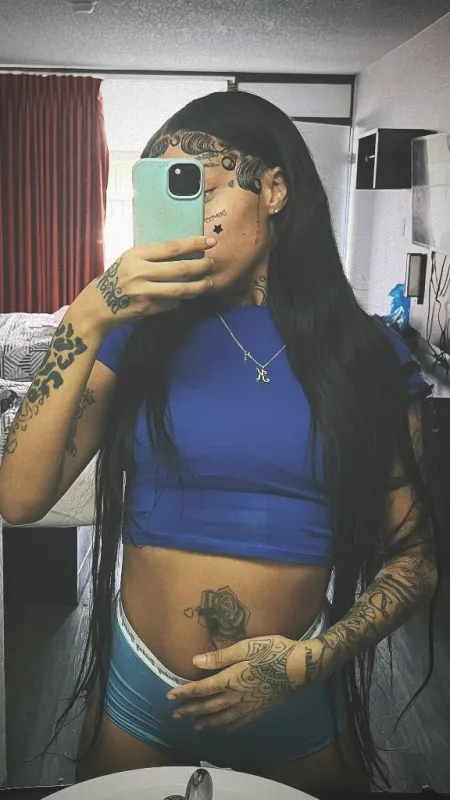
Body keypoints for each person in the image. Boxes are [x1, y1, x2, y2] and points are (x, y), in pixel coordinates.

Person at [0, 90, 441, 795]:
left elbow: (415, 561)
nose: (189, 225)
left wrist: (309, 662)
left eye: (202, 192)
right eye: (169, 203)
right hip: (140, 691)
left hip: (298, 690)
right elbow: (19, 498)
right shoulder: (136, 339)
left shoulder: (368, 358)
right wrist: (86, 316)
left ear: (274, 189)